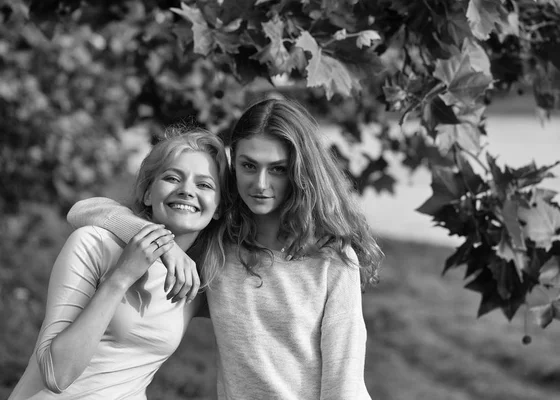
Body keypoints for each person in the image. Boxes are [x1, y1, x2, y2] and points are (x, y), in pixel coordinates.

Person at [67, 97, 383, 399]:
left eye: (277, 169)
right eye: (248, 166)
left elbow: (345, 385)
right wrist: (164, 244)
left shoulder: (332, 259)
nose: (260, 183)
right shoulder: (218, 248)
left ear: (300, 172)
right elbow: (85, 209)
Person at [9, 127, 229, 399]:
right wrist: (123, 276)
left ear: (218, 207)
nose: (186, 191)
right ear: (148, 194)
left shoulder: (199, 279)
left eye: (204, 185)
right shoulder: (96, 245)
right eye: (173, 178)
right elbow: (57, 375)